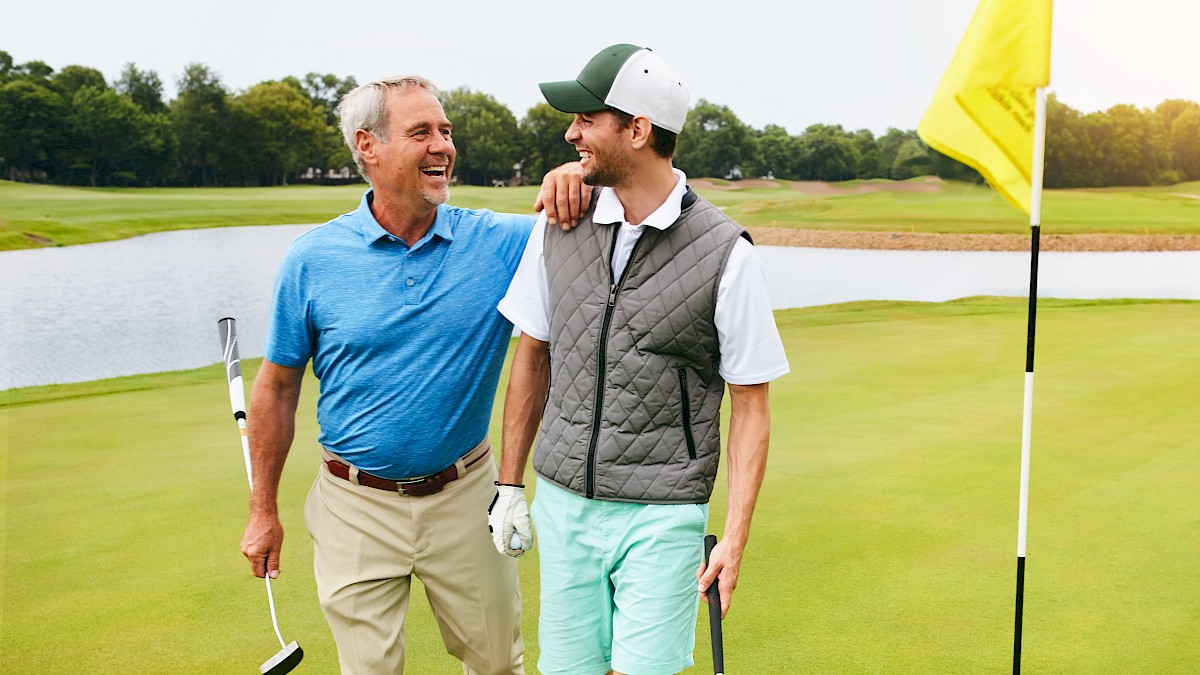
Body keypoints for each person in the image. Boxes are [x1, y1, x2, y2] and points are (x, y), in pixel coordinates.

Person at [240, 74, 586, 675]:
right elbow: (277, 386)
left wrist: (575, 175)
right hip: (354, 503)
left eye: (446, 132)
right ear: (367, 146)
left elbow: (604, 215)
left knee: (498, 664)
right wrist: (262, 509)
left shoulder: (499, 242)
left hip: (467, 498)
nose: (442, 146)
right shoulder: (312, 259)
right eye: (421, 132)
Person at [492, 45, 790, 675]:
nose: (571, 132)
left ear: (637, 129)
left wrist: (732, 541)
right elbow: (532, 354)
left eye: (586, 119)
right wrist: (510, 486)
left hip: (664, 511)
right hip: (565, 502)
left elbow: (751, 406)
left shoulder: (726, 252)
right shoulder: (558, 223)